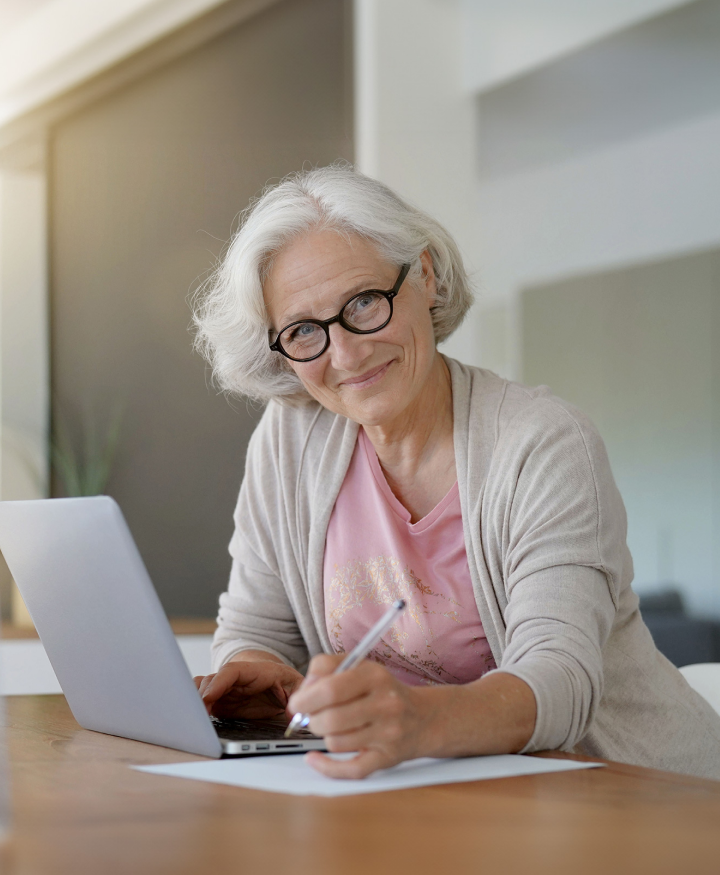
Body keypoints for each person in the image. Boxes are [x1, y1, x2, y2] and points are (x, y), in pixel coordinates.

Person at [192, 164, 720, 780]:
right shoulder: (288, 441)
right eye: (305, 330)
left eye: (364, 302)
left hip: (641, 797)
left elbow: (562, 679)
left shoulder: (543, 443)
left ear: (425, 275)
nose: (347, 353)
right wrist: (259, 673)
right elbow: (255, 626)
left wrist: (417, 722)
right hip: (436, 794)